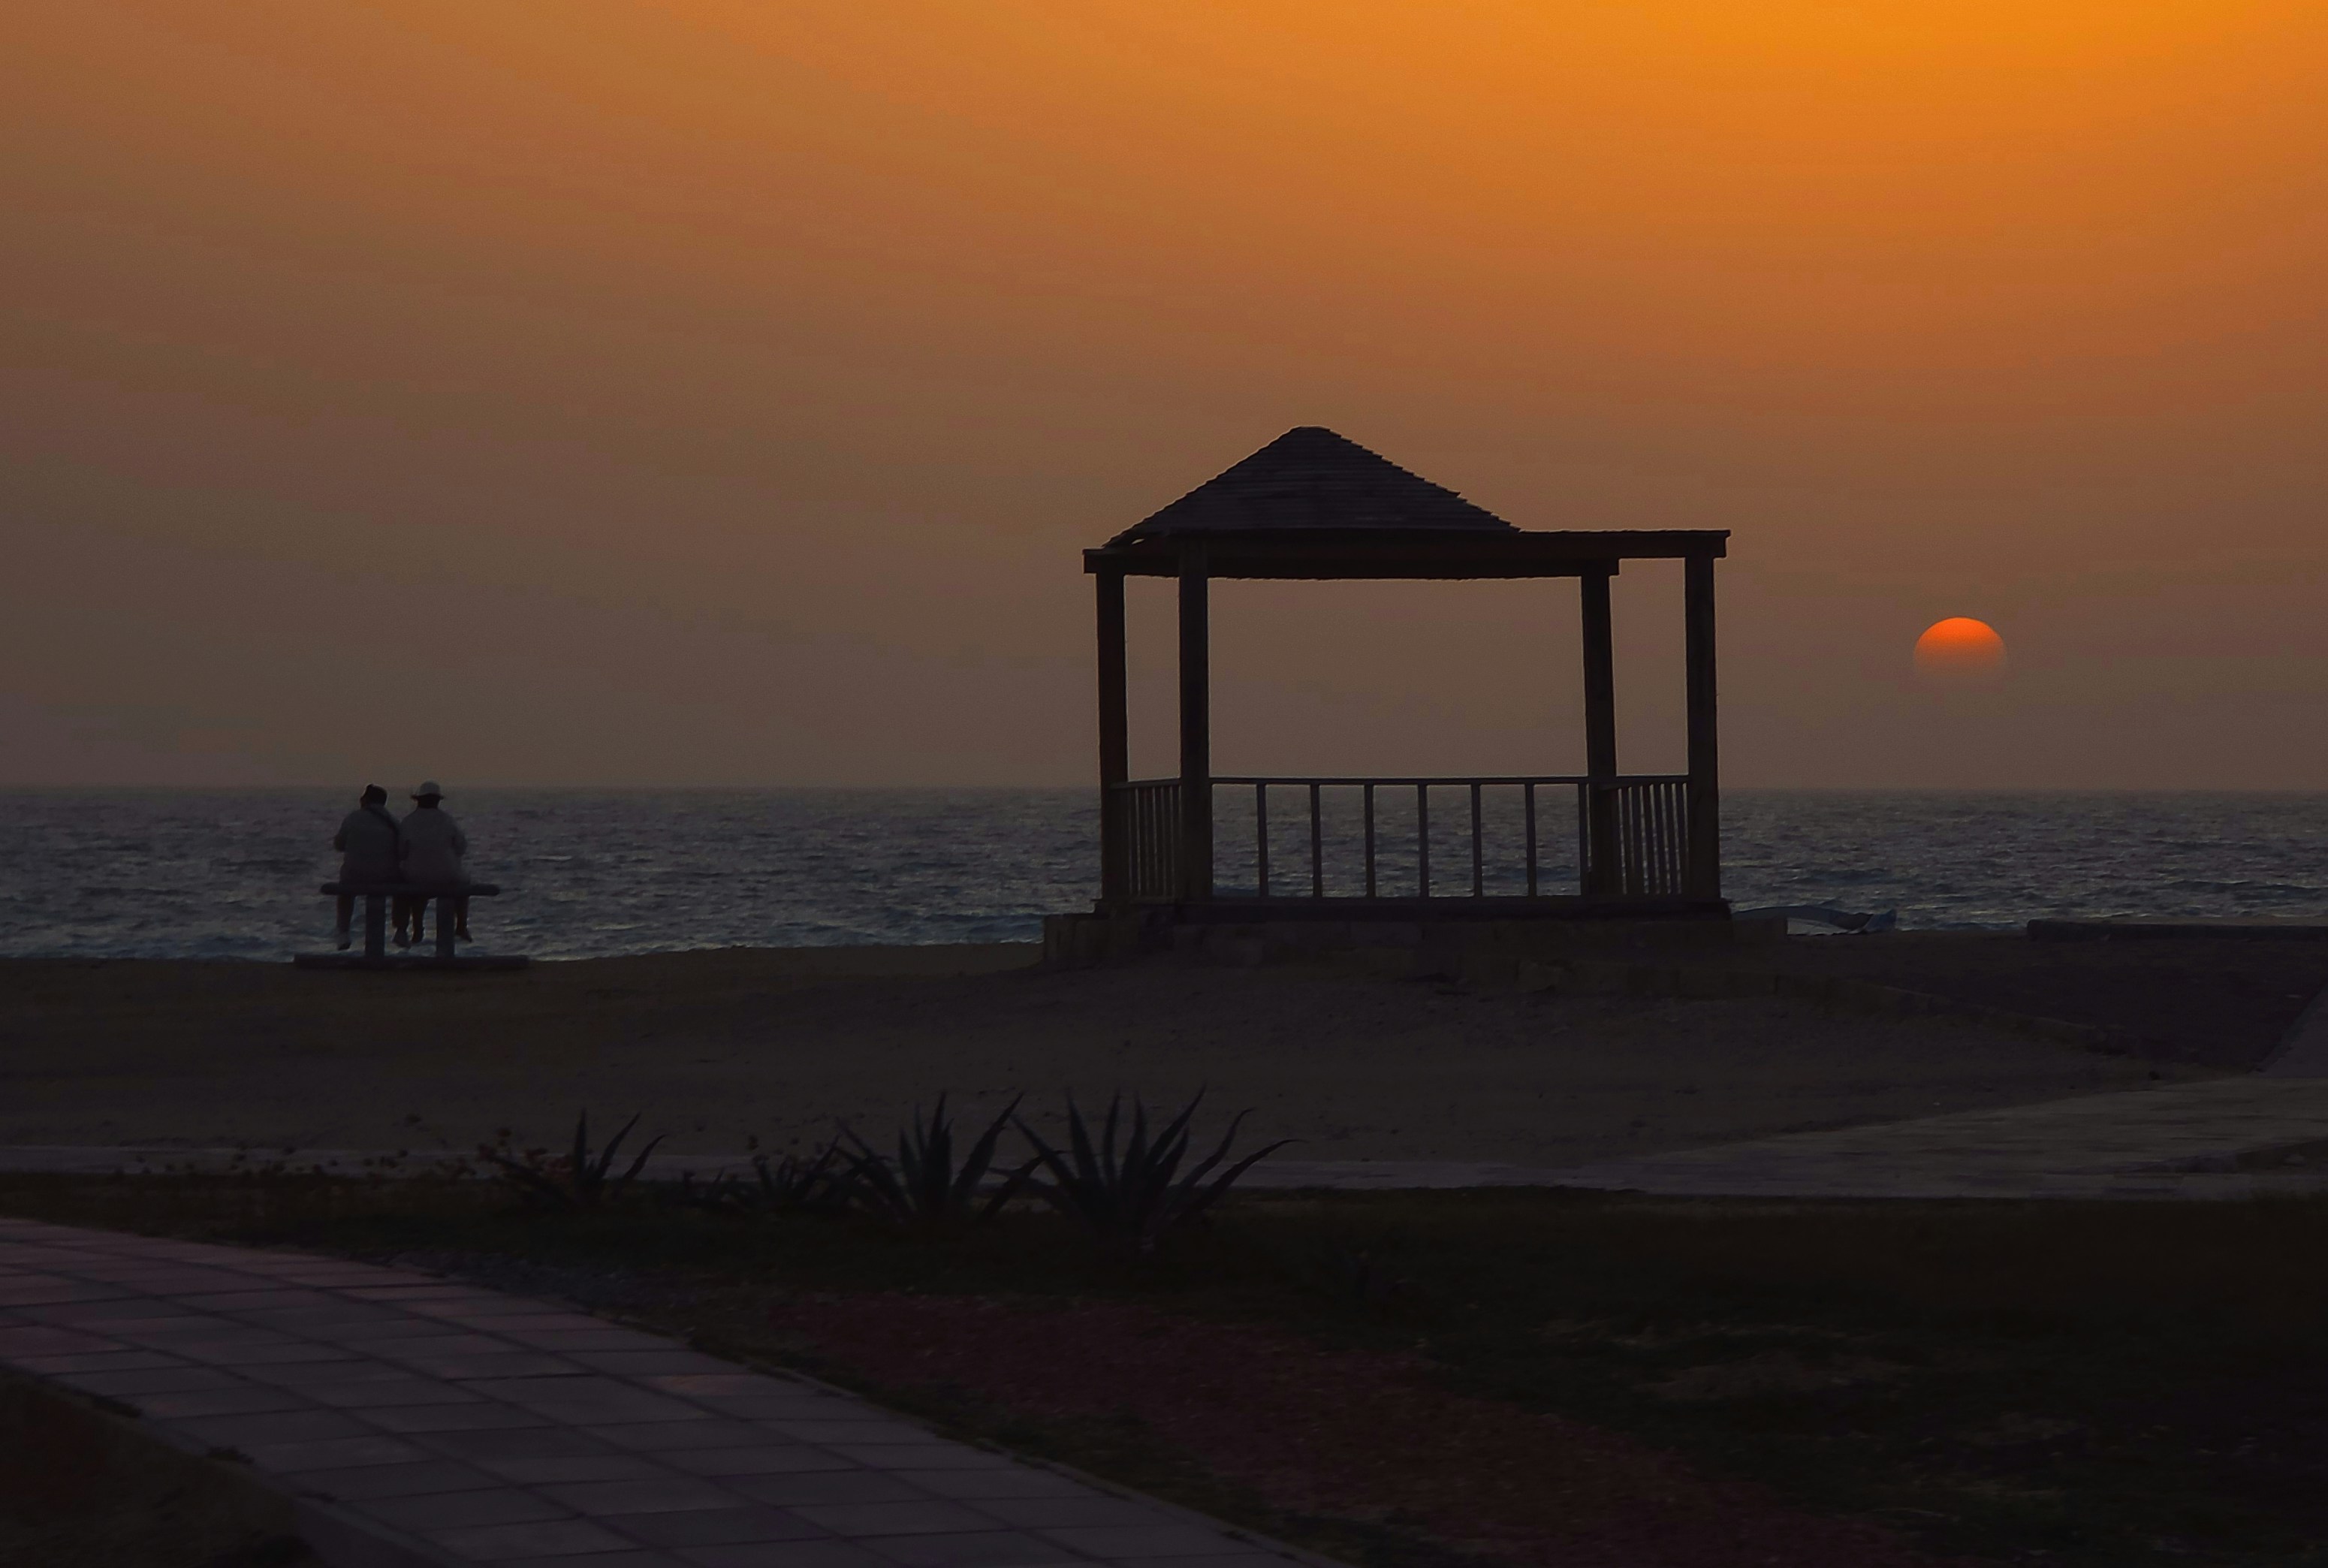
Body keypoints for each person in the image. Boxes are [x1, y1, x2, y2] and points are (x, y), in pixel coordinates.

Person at [396, 780, 471, 948]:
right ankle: (461, 926)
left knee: (414, 891)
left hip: (416, 875)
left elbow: (401, 853)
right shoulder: (447, 821)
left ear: (418, 800)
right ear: (438, 800)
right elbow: (461, 847)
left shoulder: (408, 822)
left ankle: (417, 928)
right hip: (447, 875)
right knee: (464, 885)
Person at [330, 785, 402, 951]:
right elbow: (401, 849)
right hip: (386, 876)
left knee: (345, 893)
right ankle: (400, 929)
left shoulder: (352, 818)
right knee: (402, 887)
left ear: (365, 800)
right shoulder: (393, 821)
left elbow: (339, 845)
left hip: (354, 875)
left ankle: (343, 931)